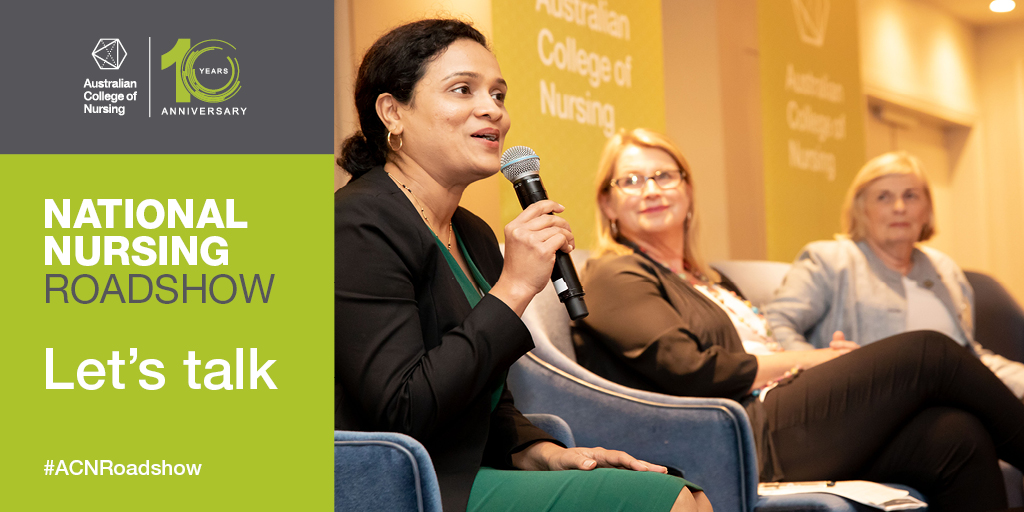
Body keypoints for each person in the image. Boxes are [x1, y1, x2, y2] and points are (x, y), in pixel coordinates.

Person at [335, 20, 710, 512]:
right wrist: (513, 288)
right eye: (463, 89)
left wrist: (544, 452)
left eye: (498, 94)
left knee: (686, 492)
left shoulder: (472, 232)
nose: (492, 109)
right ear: (392, 112)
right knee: (672, 502)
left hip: (467, 468)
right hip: (403, 486)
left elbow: (485, 396)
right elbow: (403, 410)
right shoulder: (356, 224)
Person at [572, 128, 1024, 512]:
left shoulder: (709, 279)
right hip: (738, 431)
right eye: (630, 181)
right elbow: (688, 368)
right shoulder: (614, 272)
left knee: (955, 437)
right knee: (929, 351)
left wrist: (823, 362)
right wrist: (811, 359)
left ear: (688, 191)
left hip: (781, 411)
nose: (651, 190)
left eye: (665, 176)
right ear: (608, 205)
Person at [764, 150, 1024, 399]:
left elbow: (970, 358)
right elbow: (774, 324)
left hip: (958, 398)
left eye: (911, 196)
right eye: (884, 197)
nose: (899, 207)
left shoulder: (944, 269)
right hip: (870, 405)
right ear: (862, 209)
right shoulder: (829, 260)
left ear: (927, 209)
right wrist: (822, 368)